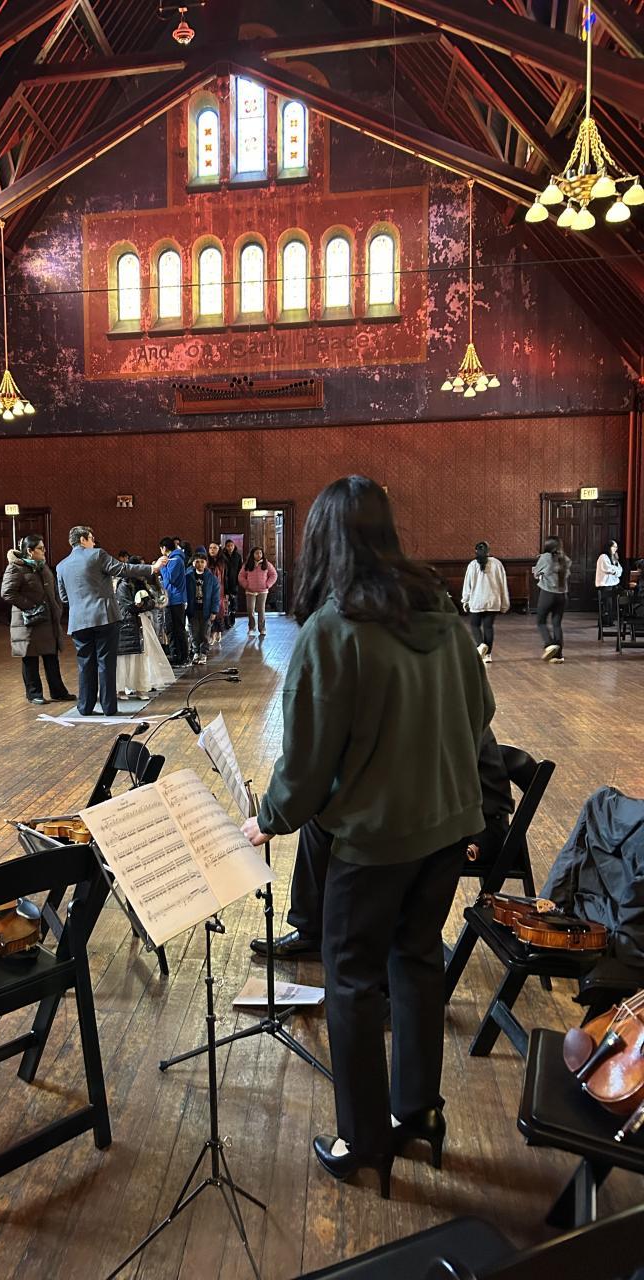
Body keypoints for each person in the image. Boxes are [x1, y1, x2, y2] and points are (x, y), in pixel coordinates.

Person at [242, 477, 493, 1198]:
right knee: (415, 962)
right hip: (446, 830)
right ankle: (418, 1114)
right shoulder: (441, 611)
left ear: (321, 542)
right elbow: (482, 713)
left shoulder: (334, 628)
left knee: (350, 982)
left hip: (374, 844)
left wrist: (269, 817)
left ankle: (362, 1140)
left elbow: (305, 762)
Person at [252, 726, 513, 959]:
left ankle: (368, 942)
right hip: (432, 809)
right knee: (319, 820)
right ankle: (310, 931)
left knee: (368, 834)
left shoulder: (437, 706)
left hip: (473, 825)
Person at [56, 526, 165, 717]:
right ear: (82, 539)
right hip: (103, 616)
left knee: (85, 664)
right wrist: (152, 568)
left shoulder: (61, 566)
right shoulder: (97, 555)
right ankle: (108, 707)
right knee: (106, 663)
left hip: (78, 621)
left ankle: (85, 707)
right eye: (91, 538)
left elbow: (64, 597)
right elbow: (122, 569)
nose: (93, 542)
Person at [1, 534, 74, 706]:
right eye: (40, 548)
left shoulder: (43, 566)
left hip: (47, 620)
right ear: (30, 551)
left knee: (51, 657)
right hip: (28, 622)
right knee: (30, 658)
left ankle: (58, 692)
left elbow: (54, 590)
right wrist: (31, 606)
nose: (44, 551)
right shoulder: (16, 568)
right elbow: (7, 593)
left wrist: (57, 607)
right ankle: (34, 693)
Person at [115, 561, 175, 698]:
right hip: (126, 624)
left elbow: (151, 601)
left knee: (142, 657)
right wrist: (142, 605)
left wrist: (144, 605)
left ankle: (140, 688)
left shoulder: (142, 584)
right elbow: (130, 606)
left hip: (141, 623)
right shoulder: (123, 585)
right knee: (125, 658)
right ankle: (121, 689)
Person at [460, 541, 510, 663]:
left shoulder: (472, 565)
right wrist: (505, 603)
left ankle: (480, 644)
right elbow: (503, 584)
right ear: (488, 551)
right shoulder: (497, 564)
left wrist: (465, 600)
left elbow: (467, 585)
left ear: (476, 551)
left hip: (477, 601)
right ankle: (488, 655)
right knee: (488, 627)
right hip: (493, 600)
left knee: (474, 625)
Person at [533, 536, 571, 663]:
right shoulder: (565, 559)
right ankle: (558, 656)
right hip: (562, 595)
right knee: (557, 624)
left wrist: (539, 570)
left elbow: (536, 573)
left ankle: (549, 645)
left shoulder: (545, 557)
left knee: (541, 622)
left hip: (548, 594)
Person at [185, 548, 220, 665]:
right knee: (194, 632)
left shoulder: (212, 578)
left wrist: (214, 611)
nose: (199, 564)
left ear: (206, 563)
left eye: (202, 562)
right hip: (193, 609)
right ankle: (195, 652)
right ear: (193, 563)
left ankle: (203, 653)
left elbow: (215, 596)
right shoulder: (188, 576)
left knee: (205, 632)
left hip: (206, 610)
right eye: (197, 561)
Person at [159, 537, 189, 667]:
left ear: (164, 548)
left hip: (176, 600)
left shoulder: (175, 560)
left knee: (177, 629)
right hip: (171, 599)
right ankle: (175, 655)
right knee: (171, 629)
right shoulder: (174, 559)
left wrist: (162, 567)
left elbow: (170, 579)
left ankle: (182, 657)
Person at [239, 547, 278, 635]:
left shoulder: (266, 564)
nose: (259, 555)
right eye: (256, 553)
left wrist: (267, 584)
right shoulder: (247, 564)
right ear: (253, 554)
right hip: (250, 591)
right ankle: (252, 628)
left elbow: (274, 574)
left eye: (260, 553)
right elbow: (241, 576)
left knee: (261, 609)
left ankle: (262, 628)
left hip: (263, 591)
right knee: (250, 609)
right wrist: (246, 585)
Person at [595, 539, 622, 625]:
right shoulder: (603, 557)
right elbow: (607, 568)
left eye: (616, 547)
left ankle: (610, 621)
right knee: (607, 604)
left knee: (612, 604)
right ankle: (604, 622)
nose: (615, 549)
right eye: (614, 547)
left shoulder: (614, 557)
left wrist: (616, 571)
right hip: (605, 584)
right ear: (609, 547)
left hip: (613, 584)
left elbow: (620, 569)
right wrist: (615, 571)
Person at [206, 543, 227, 649]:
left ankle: (217, 632)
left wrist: (228, 591)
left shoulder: (223, 562)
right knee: (211, 612)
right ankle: (212, 633)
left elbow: (226, 577)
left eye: (215, 548)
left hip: (220, 589)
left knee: (219, 611)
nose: (212, 550)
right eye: (210, 548)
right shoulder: (206, 561)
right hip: (208, 589)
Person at [223, 539, 242, 626]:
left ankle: (233, 619)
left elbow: (240, 569)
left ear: (234, 546)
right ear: (225, 547)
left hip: (234, 581)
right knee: (226, 601)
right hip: (224, 581)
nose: (230, 547)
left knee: (233, 601)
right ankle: (226, 621)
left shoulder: (237, 556)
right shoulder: (223, 556)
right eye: (228, 546)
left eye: (231, 546)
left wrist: (239, 580)